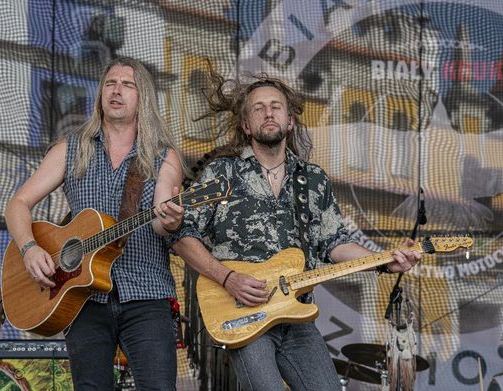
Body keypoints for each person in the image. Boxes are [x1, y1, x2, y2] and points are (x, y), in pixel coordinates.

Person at [169, 72, 422, 391]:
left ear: (290, 121)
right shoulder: (223, 172)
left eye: (276, 106)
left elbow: (336, 243)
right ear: (246, 125)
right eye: (258, 108)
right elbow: (181, 235)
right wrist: (228, 278)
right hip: (243, 312)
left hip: (296, 317)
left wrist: (385, 260)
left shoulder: (313, 179)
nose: (268, 112)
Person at [5, 57, 184, 390]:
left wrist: (170, 221)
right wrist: (29, 248)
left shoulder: (162, 155)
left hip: (146, 293)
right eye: (110, 84)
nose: (116, 91)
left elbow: (161, 223)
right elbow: (18, 204)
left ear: (143, 97)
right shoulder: (70, 148)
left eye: (127, 85)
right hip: (81, 296)